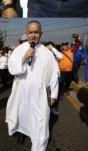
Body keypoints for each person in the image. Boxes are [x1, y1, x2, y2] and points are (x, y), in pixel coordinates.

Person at [5, 21, 59, 149]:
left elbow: (54, 74)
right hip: (22, 94)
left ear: (41, 33)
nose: (33, 35)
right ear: (26, 33)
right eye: (30, 32)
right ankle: (24, 133)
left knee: (41, 123)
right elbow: (12, 69)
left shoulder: (48, 53)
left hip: (40, 96)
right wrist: (24, 58)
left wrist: (54, 94)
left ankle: (38, 146)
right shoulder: (19, 50)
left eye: (36, 32)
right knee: (23, 118)